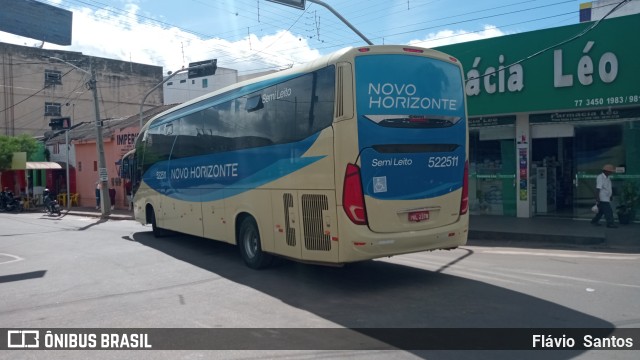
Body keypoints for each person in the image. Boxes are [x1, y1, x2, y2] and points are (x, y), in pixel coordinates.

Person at [591, 164, 617, 228]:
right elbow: (598, 188)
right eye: (610, 171)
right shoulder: (600, 177)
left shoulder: (608, 178)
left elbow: (608, 188)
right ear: (606, 171)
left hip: (606, 197)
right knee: (609, 211)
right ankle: (610, 223)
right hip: (602, 198)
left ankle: (594, 221)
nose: (611, 172)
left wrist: (610, 196)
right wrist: (597, 198)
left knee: (601, 211)